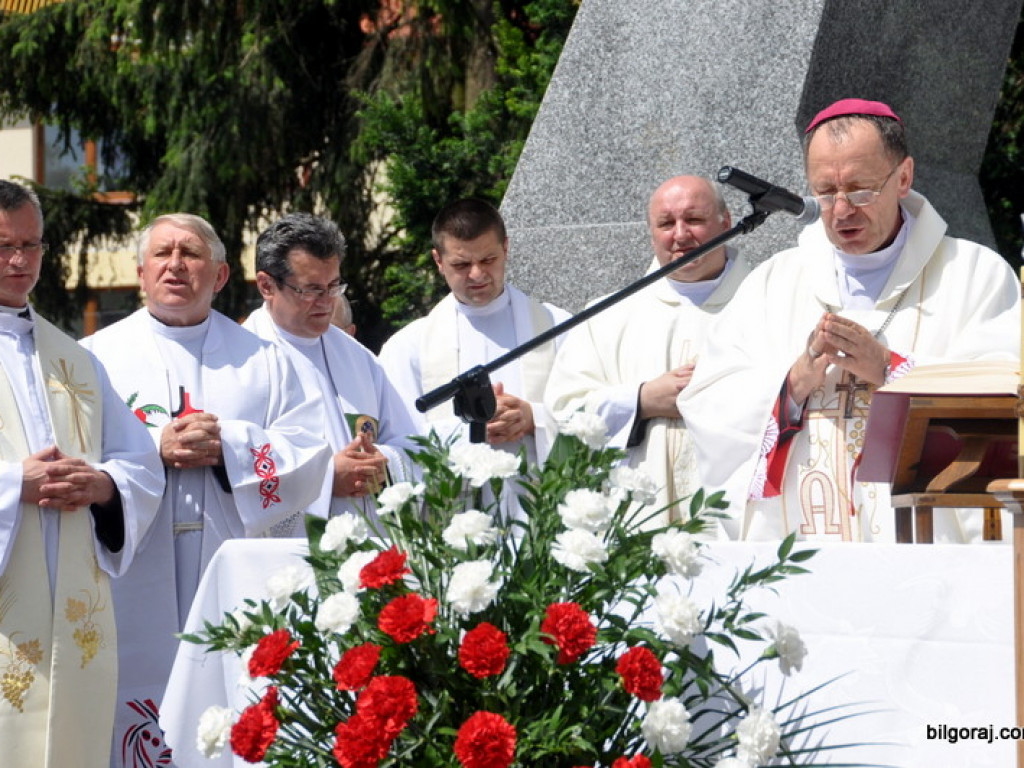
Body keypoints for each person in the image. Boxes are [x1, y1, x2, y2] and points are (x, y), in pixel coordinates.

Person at [678, 98, 1021, 543]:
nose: (841, 211)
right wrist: (792, 384)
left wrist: (890, 371)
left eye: (860, 191)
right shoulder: (774, 282)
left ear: (903, 177)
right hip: (800, 545)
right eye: (824, 192)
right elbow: (709, 398)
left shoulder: (974, 274)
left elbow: (1005, 396)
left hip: (925, 548)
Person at [81, 213, 331, 766]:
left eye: (191, 254)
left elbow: (310, 452)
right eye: (162, 254)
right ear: (141, 272)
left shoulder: (266, 360)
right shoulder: (93, 358)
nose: (176, 265)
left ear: (219, 276)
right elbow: (77, 458)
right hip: (132, 572)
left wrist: (231, 449)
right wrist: (154, 449)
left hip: (232, 567)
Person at [0, 180, 163, 767]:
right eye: (2, 245)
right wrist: (12, 483)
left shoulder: (73, 357)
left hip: (70, 616)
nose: (20, 261)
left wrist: (104, 485)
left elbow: (139, 462)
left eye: (31, 245)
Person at [545, 176, 750, 527]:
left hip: (739, 510)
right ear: (651, 232)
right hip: (641, 518)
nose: (681, 234)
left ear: (726, 222)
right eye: (666, 223)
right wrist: (640, 400)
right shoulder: (607, 315)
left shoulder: (765, 301)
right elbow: (563, 412)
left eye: (695, 220)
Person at [244, 212, 418, 529]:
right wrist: (324, 480)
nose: (327, 303)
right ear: (267, 285)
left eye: (334, 286)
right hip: (285, 558)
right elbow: (235, 465)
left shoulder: (359, 358)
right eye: (311, 290)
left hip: (366, 545)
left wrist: (383, 464)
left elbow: (411, 443)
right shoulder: (239, 361)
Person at [378, 198, 570, 467]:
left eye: (488, 259)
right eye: (461, 265)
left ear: (506, 248)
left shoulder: (559, 326)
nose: (477, 274)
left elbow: (593, 413)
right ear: (438, 261)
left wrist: (533, 418)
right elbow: (396, 440)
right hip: (454, 503)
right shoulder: (409, 346)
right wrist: (468, 431)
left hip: (540, 496)